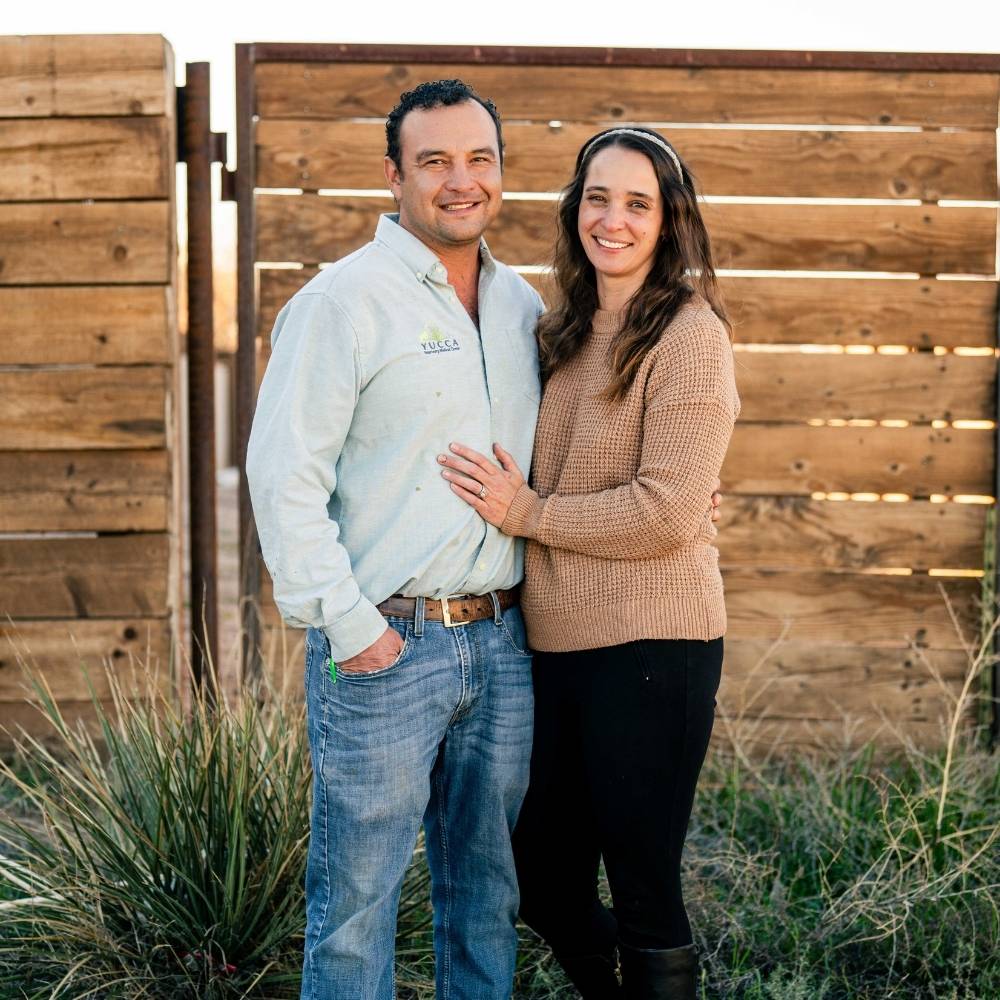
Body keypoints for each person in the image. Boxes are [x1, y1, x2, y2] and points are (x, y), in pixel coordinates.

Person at [246, 80, 546, 1000]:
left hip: (504, 643)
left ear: (501, 171)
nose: (461, 180)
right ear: (394, 175)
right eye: (435, 161)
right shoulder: (342, 302)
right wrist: (351, 628)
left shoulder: (522, 306)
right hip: (386, 647)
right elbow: (283, 476)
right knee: (355, 910)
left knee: (487, 899)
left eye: (479, 159)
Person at [438, 127, 739, 999]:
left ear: (668, 221)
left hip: (655, 645)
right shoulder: (558, 331)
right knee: (540, 874)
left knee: (644, 886)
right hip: (554, 643)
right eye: (598, 198)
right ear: (576, 211)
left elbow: (667, 509)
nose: (614, 219)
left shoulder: (689, 334)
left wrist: (526, 513)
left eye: (638, 204)